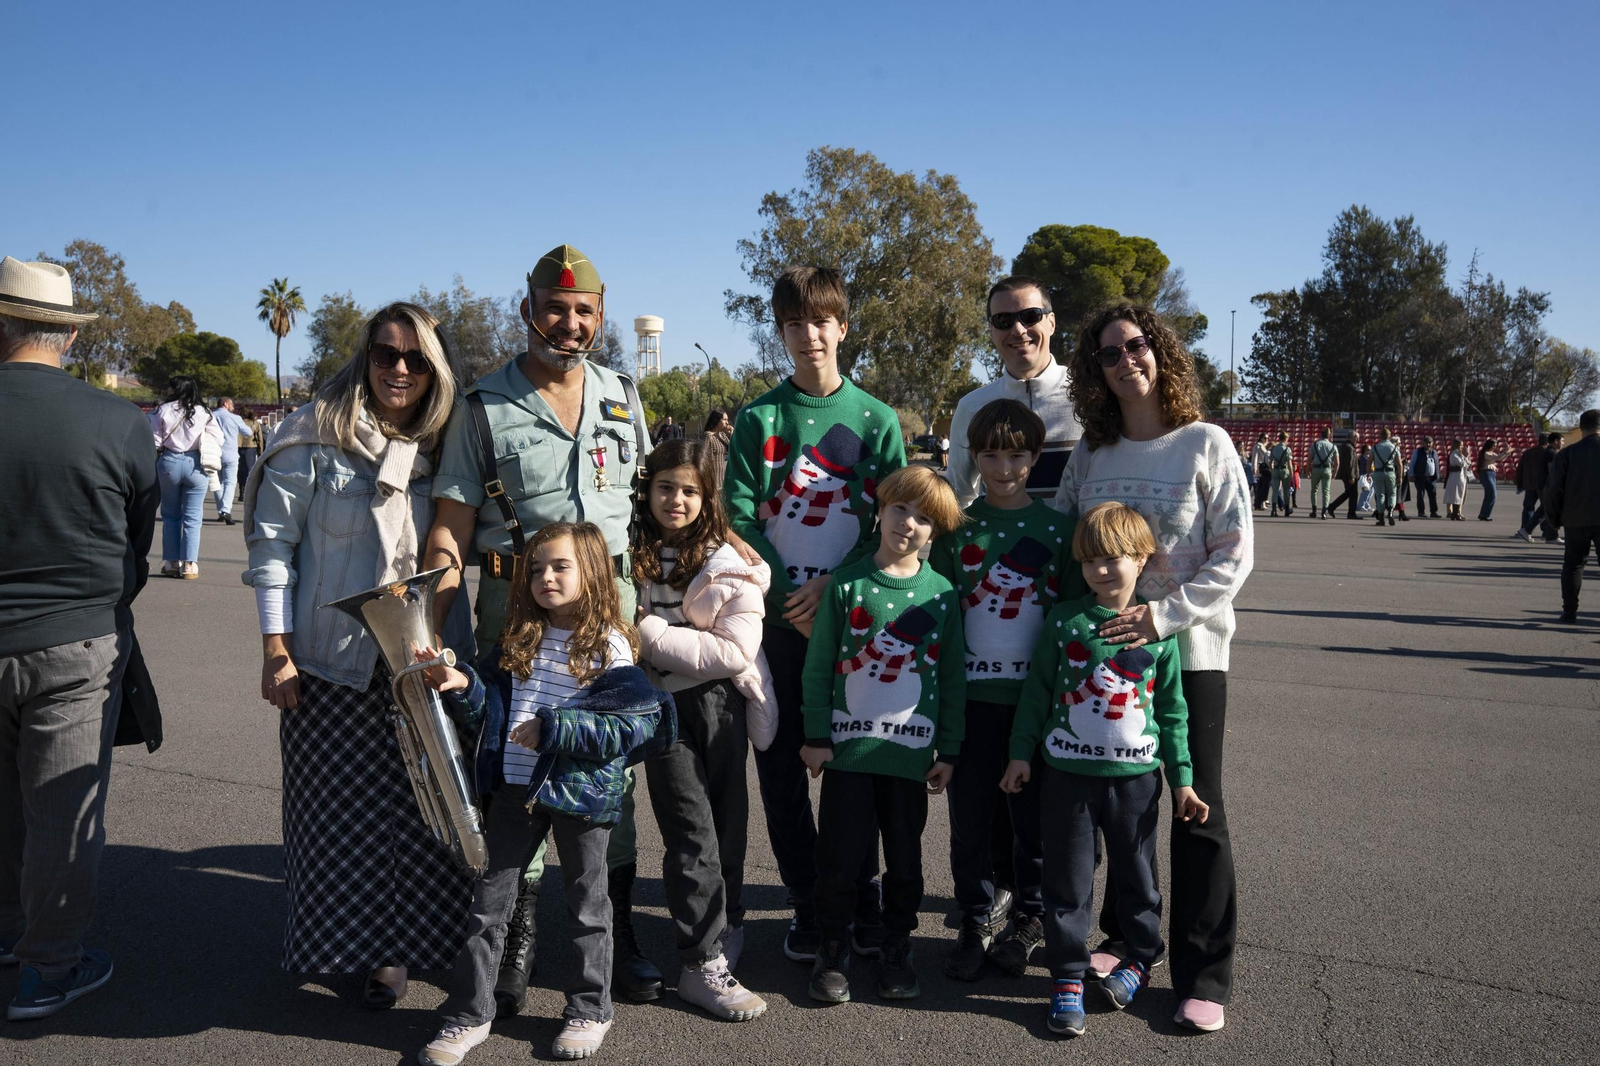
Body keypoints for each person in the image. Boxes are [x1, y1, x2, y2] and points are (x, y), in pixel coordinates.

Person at [425, 244, 662, 1008]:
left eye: (583, 310)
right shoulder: (482, 406)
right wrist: (431, 625)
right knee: (516, 761)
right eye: (555, 308)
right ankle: (519, 932)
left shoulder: (623, 394)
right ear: (527, 310)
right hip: (516, 610)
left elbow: (650, 506)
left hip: (608, 614)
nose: (569, 322)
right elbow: (451, 526)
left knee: (608, 765)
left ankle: (618, 932)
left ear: (600, 315)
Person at [240, 302, 474, 1010]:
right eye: (384, 354)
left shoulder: (446, 444)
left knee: (421, 818)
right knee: (338, 824)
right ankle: (348, 948)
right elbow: (272, 550)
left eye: (415, 359)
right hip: (327, 667)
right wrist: (275, 650)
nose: (399, 369)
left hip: (415, 663)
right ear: (364, 357)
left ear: (436, 370)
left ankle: (400, 954)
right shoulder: (313, 434)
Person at [1051, 302, 1253, 1033]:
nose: (1126, 361)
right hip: (1104, 666)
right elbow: (1063, 546)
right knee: (1120, 803)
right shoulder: (1092, 454)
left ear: (1160, 351)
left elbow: (1234, 553)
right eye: (1108, 354)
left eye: (1136, 346)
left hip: (1189, 655)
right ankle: (1127, 939)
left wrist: (1161, 616)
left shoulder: (1205, 443)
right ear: (1094, 372)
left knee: (1196, 807)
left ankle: (1204, 974)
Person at [414, 522, 673, 1065]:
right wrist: (463, 685)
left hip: (582, 796)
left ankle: (590, 1010)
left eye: (560, 567)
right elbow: (491, 715)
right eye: (536, 569)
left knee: (587, 906)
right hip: (514, 791)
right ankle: (469, 1015)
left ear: (593, 573)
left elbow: (628, 727)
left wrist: (555, 727)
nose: (545, 577)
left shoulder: (610, 644)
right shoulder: (519, 638)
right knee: (487, 908)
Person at [724, 265, 906, 965]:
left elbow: (893, 521)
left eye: (822, 320)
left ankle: (858, 896)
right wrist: (785, 600)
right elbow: (739, 515)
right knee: (779, 773)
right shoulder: (758, 419)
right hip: (776, 631)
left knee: (855, 770)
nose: (810, 335)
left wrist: (836, 590)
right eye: (795, 323)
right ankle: (806, 898)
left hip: (855, 628)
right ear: (781, 332)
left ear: (843, 326)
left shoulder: (877, 420)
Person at [0, 257, 158, 1021]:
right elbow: (137, 542)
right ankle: (48, 964)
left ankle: (10, 927)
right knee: (62, 811)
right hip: (77, 638)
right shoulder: (118, 420)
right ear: (67, 334)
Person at [1002, 502, 1209, 1037]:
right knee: (1066, 881)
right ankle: (1067, 976)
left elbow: (1173, 713)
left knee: (1137, 877)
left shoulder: (1157, 629)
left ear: (1141, 559)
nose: (1099, 569)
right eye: (1089, 560)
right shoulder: (1065, 621)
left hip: (1137, 782)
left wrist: (1183, 780)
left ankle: (1139, 957)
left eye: (1112, 557)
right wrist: (1021, 753)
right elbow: (1037, 693)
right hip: (1066, 779)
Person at [927, 399, 1083, 983]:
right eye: (990, 455)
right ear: (973, 456)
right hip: (970, 705)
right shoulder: (955, 531)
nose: (1003, 467)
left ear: (1036, 456)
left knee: (1032, 823)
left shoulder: (1059, 531)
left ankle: (1029, 918)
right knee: (969, 822)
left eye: (1016, 455)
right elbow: (942, 625)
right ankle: (974, 921)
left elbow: (1071, 624)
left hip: (1034, 708)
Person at [798, 465, 966, 1003]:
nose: (908, 523)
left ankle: (897, 944)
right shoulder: (847, 585)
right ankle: (832, 947)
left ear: (936, 532)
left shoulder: (941, 593)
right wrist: (816, 735)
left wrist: (950, 748)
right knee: (838, 861)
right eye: (900, 509)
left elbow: (952, 677)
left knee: (906, 863)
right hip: (848, 755)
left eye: (924, 518)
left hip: (909, 759)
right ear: (881, 509)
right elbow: (820, 665)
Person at [632, 438, 770, 1021]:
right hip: (659, 706)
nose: (677, 500)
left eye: (691, 490)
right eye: (666, 487)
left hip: (718, 705)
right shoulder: (629, 548)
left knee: (726, 822)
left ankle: (728, 920)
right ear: (647, 490)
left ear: (708, 497)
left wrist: (649, 635)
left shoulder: (728, 560)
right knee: (690, 831)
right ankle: (701, 962)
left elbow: (733, 653)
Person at [946, 275, 1082, 508]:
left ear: (1051, 322)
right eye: (1003, 320)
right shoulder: (971, 406)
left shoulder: (1089, 395)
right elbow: (959, 496)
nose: (1018, 330)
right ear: (991, 331)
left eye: (1030, 316)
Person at [149, 375, 225, 578]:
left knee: (170, 515)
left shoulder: (162, 410)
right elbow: (219, 438)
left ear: (176, 389)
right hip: (196, 464)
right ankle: (190, 564)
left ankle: (172, 562)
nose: (167, 390)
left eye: (170, 387)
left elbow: (155, 441)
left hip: (170, 463)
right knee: (193, 516)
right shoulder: (203, 412)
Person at [1545, 411, 1599, 624]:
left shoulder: (1567, 453)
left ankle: (1569, 612)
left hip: (1575, 517)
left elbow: (1553, 489)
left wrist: (1554, 519)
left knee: (1574, 565)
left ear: (1581, 427)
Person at [1514, 433, 1563, 543]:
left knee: (1531, 508)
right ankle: (1546, 533)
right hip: (1545, 484)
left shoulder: (1528, 452)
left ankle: (1526, 528)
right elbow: (1552, 471)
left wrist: (1519, 483)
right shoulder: (1550, 452)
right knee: (1548, 509)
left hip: (1530, 483)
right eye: (1562, 441)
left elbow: (1520, 468)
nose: (1563, 443)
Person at [210, 396, 246, 525]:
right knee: (230, 483)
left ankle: (221, 511)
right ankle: (225, 510)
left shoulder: (210, 416)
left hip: (214, 453)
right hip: (230, 454)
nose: (233, 407)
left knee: (217, 484)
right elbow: (247, 432)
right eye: (232, 404)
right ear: (225, 404)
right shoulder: (235, 418)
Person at [1370, 429, 1402, 526]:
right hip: (1390, 472)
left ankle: (1381, 518)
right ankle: (1390, 512)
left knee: (1380, 495)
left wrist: (1368, 473)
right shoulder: (1394, 447)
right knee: (1392, 493)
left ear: (1381, 436)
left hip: (1378, 472)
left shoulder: (1375, 447)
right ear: (1389, 436)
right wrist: (1400, 477)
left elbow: (1369, 461)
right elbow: (1399, 464)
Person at [1329, 430, 1360, 519]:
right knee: (1352, 494)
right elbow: (1349, 464)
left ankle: (1333, 507)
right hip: (1349, 475)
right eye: (1356, 438)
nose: (1357, 440)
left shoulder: (1346, 446)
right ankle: (1350, 513)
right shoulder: (1349, 447)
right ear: (1351, 437)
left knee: (1349, 493)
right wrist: (1351, 476)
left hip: (1347, 474)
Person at [1309, 427, 1339, 520]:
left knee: (1314, 490)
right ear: (1329, 435)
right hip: (1327, 469)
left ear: (1321, 434)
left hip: (1316, 469)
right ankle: (1324, 512)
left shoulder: (1315, 445)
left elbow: (1309, 459)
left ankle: (1314, 511)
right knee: (1326, 492)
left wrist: (1308, 470)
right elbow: (1337, 462)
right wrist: (1335, 472)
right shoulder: (1333, 446)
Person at [699, 408, 732, 491]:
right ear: (716, 420)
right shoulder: (708, 436)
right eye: (724, 419)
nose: (727, 422)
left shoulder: (722, 435)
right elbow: (702, 457)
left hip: (721, 480)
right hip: (711, 480)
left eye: (727, 420)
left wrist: (731, 435)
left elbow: (733, 449)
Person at [1409, 435, 1440, 518]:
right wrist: (1411, 474)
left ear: (1432, 443)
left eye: (1430, 443)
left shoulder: (1434, 453)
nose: (1428, 444)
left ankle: (1433, 512)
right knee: (1420, 495)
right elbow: (1412, 464)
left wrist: (1437, 475)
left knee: (1433, 495)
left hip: (1431, 478)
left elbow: (1437, 464)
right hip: (1420, 477)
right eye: (1427, 443)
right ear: (1423, 443)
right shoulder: (1417, 452)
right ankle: (1421, 512)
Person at [238, 408, 266, 492]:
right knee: (249, 470)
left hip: (238, 447)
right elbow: (260, 438)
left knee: (240, 470)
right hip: (250, 447)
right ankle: (247, 491)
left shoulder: (238, 422)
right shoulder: (255, 423)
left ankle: (241, 490)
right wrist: (261, 452)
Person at [1268, 430, 1294, 517]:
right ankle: (1287, 509)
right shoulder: (1287, 449)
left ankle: (1273, 510)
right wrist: (1291, 473)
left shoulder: (1274, 448)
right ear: (1285, 439)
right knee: (1286, 490)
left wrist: (1272, 469)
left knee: (1275, 490)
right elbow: (1289, 463)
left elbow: (1270, 461)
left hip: (1275, 470)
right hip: (1284, 470)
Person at [1475, 438, 1501, 521]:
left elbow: (1500, 458)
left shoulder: (1491, 453)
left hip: (1492, 474)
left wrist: (1508, 453)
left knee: (1489, 495)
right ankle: (1485, 514)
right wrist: (1506, 452)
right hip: (1486, 474)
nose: (1494, 447)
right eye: (1493, 446)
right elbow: (1498, 457)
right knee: (1492, 495)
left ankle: (1483, 514)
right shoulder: (1485, 453)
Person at [1443, 438, 1469, 520]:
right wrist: (1466, 457)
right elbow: (1462, 464)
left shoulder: (1459, 454)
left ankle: (1456, 513)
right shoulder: (1454, 454)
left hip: (1461, 477)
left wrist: (1466, 458)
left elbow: (1468, 463)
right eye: (1461, 445)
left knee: (1459, 495)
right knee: (1456, 495)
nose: (1462, 447)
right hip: (1456, 478)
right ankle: (1455, 513)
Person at [1250, 433, 1271, 510]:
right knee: (1261, 486)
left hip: (1266, 468)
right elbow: (1255, 457)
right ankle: (1258, 503)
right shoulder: (1258, 446)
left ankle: (1260, 503)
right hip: (1260, 467)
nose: (1266, 439)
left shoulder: (1267, 446)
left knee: (1263, 486)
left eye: (1268, 438)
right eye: (1265, 438)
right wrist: (1254, 467)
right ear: (1261, 438)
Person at [1355, 444, 1375, 513]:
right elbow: (1366, 466)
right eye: (1368, 450)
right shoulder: (1363, 458)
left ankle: (1366, 504)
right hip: (1365, 476)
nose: (1369, 451)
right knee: (1366, 491)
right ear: (1364, 450)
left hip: (1371, 475)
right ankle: (1361, 505)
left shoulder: (1368, 457)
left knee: (1371, 492)